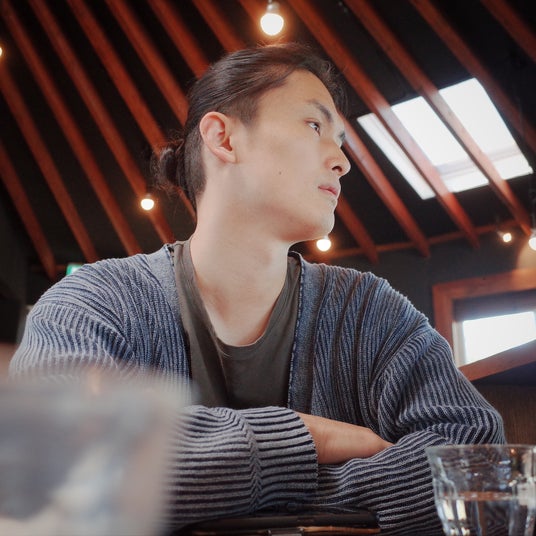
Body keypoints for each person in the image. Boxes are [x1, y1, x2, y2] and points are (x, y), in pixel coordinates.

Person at [10, 43, 504, 534]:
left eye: (341, 140)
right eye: (314, 126)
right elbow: (51, 456)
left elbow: (479, 459)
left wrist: (245, 491)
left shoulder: (369, 311)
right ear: (224, 138)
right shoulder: (95, 303)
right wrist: (309, 438)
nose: (342, 161)